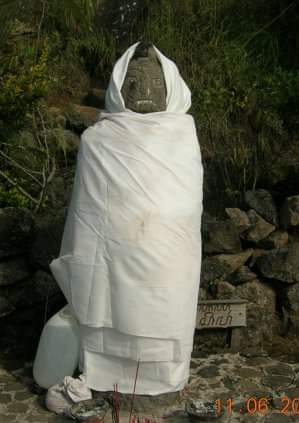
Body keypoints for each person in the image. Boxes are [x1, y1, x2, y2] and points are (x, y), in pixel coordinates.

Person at [49, 41, 203, 395]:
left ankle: (162, 379)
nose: (144, 90)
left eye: (154, 82)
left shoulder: (182, 135)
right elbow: (87, 211)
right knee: (108, 310)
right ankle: (106, 376)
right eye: (133, 82)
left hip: (168, 254)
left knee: (164, 308)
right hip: (110, 252)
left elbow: (186, 204)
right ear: (119, 89)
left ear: (172, 89)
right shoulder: (99, 140)